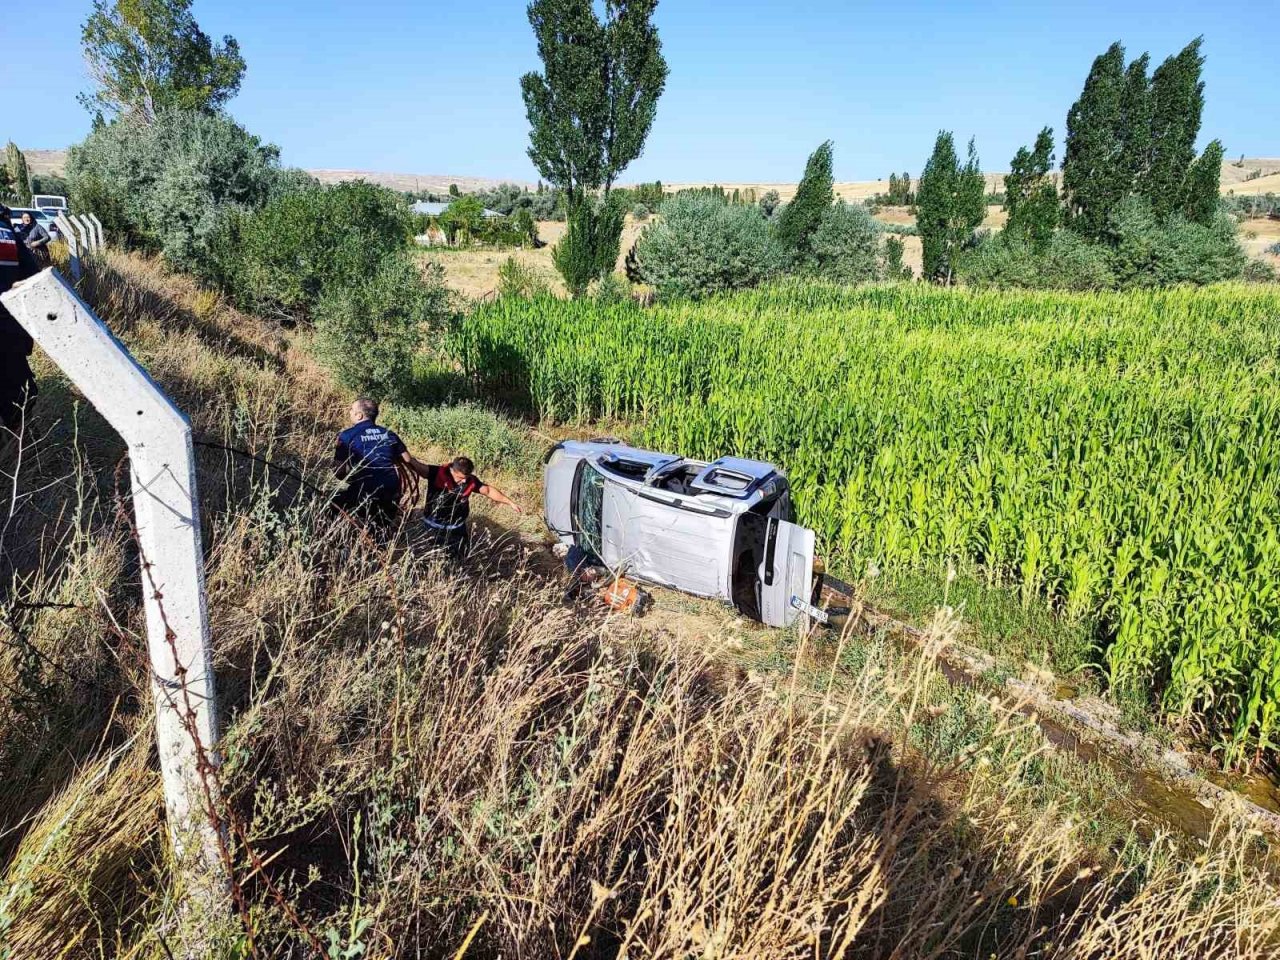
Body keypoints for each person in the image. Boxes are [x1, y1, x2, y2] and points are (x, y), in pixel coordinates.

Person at [332, 398, 431, 528]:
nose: (349, 412)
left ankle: (336, 541)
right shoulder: (389, 434)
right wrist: (431, 473)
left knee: (332, 504)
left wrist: (351, 479)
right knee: (381, 528)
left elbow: (338, 472)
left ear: (359, 415)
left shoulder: (346, 435)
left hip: (365, 490)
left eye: (351, 410)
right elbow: (408, 460)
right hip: (392, 490)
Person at [420, 455, 522, 559]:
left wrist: (510, 502)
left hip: (457, 528)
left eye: (466, 478)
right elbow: (414, 464)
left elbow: (488, 491)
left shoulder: (470, 481)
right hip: (433, 526)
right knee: (430, 557)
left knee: (459, 558)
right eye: (461, 478)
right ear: (452, 470)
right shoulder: (436, 472)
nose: (464, 481)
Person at [0, 204, 39, 447]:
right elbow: (32, 276)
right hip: (7, 326)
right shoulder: (6, 231)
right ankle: (23, 447)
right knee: (18, 391)